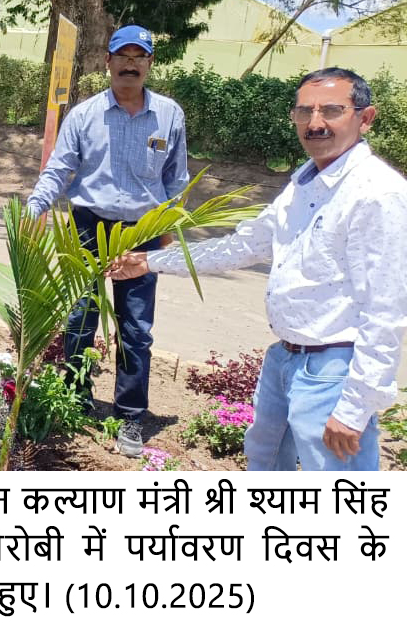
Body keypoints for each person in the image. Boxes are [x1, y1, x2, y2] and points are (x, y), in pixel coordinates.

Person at [108, 67, 407, 471]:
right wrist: (150, 261)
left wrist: (354, 409)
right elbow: (242, 246)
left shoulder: (377, 193)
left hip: (333, 371)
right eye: (305, 112)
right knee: (264, 463)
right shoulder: (304, 184)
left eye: (331, 110)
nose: (315, 123)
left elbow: (386, 310)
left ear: (365, 118)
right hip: (285, 359)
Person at [26, 24, 189, 458]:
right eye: (123, 56)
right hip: (87, 227)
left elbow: (177, 179)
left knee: (136, 328)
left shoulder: (169, 115)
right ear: (108, 61)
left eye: (139, 57)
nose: (130, 65)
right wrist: (35, 207)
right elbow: (59, 169)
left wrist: (169, 229)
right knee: (80, 317)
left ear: (150, 63)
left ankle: (130, 415)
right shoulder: (84, 115)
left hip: (142, 233)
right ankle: (74, 400)